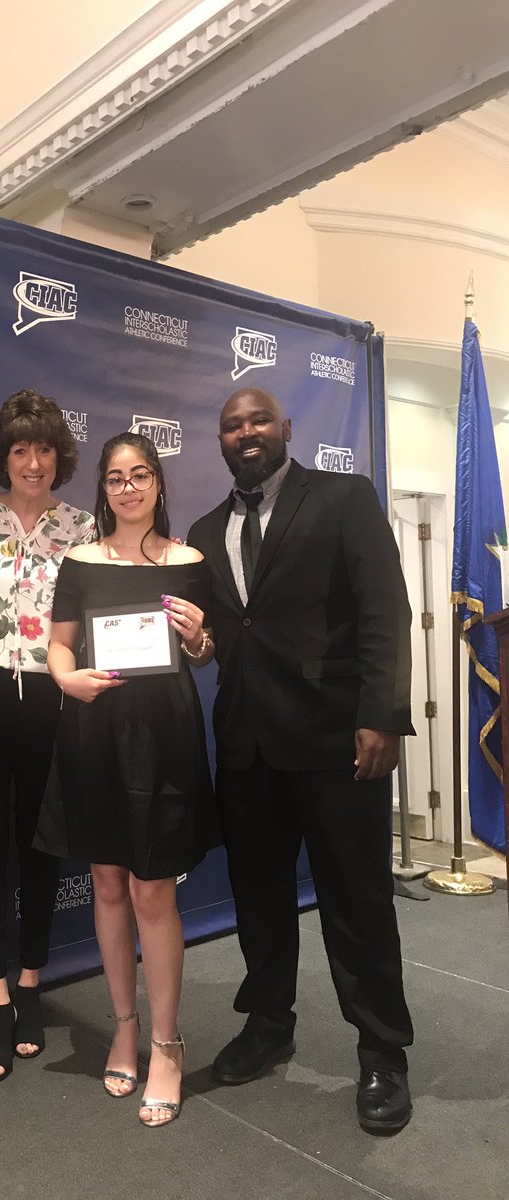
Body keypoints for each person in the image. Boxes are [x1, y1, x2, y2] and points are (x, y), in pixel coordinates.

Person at [186, 386, 415, 1135]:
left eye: (258, 420)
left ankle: (382, 1051)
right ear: (219, 440)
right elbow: (226, 630)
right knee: (258, 900)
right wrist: (199, 643)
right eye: (232, 425)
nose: (246, 432)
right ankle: (268, 1024)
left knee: (357, 903)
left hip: (335, 743)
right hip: (248, 745)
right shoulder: (203, 527)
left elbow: (385, 609)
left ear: (285, 429)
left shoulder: (344, 498)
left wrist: (380, 715)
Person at [42, 432, 219, 1128]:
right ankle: (123, 1025)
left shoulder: (191, 561)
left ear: (159, 484)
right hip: (94, 732)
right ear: (103, 490)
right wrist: (66, 678)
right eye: (115, 478)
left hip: (165, 736)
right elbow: (58, 643)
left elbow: (204, 655)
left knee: (153, 891)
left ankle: (166, 1043)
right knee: (109, 882)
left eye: (139, 474)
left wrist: (201, 634)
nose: (128, 487)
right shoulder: (80, 561)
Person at [0, 390, 94, 1083]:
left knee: (40, 847)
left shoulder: (82, 528)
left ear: (58, 456)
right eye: (20, 449)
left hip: (52, 700)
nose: (33, 462)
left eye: (44, 448)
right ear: (2, 457)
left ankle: (32, 985)